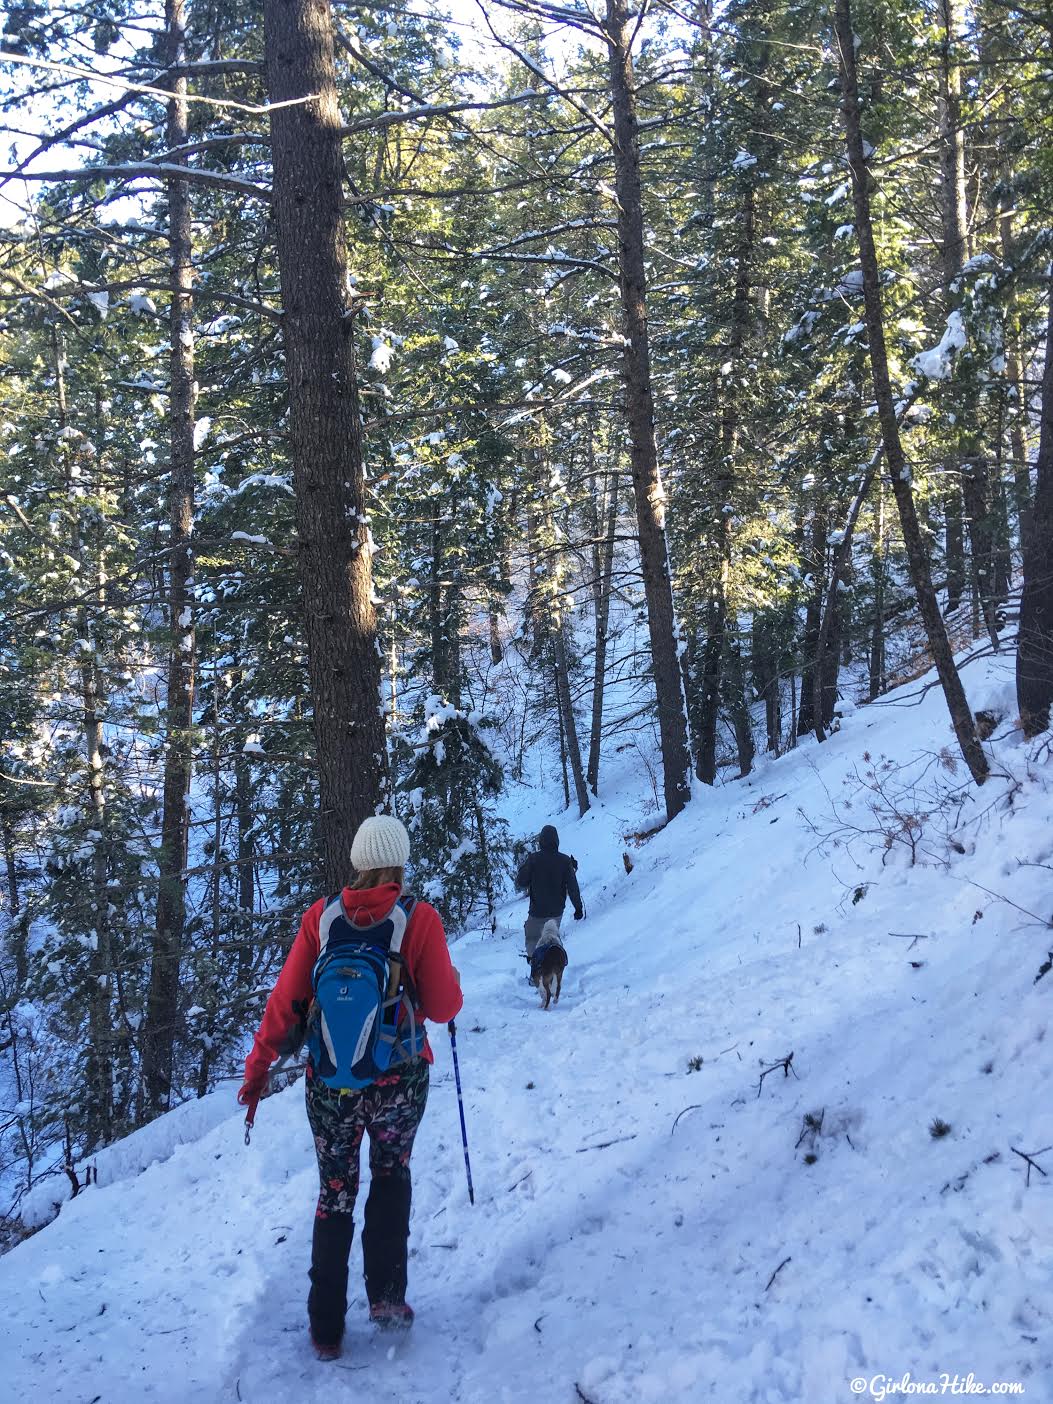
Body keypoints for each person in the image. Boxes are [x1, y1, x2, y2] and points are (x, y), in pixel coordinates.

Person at [238, 814, 462, 1361]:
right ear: (400, 862)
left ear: (358, 861)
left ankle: (325, 1329)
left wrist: (258, 1068)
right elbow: (443, 1006)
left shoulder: (322, 917)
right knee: (391, 1174)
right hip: (399, 1082)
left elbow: (286, 1001)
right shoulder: (418, 918)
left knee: (334, 1193)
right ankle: (386, 1300)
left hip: (331, 1085)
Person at [515, 824, 584, 959]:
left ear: (541, 841)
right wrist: (578, 909)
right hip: (556, 912)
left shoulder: (534, 859)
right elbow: (573, 887)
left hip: (536, 912)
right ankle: (557, 966)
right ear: (557, 841)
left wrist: (525, 868)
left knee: (533, 941)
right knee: (553, 939)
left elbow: (521, 882)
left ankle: (536, 971)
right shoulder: (565, 861)